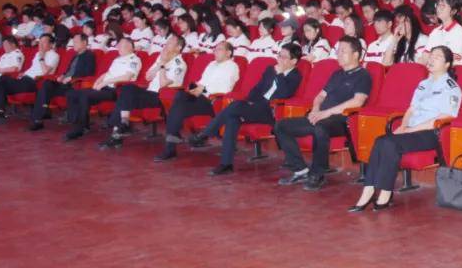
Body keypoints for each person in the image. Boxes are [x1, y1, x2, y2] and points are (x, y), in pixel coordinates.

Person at [349, 46, 462, 212]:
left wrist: (411, 129)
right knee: (380, 140)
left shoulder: (451, 88)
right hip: (411, 129)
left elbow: (445, 117)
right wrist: (403, 126)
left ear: (447, 64)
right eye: (431, 55)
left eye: (437, 57)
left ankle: (384, 193)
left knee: (389, 143)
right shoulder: (423, 84)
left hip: (431, 133)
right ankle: (369, 190)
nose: (431, 59)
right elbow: (411, 109)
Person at [187, 44, 304, 175]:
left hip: (271, 111)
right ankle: (226, 164)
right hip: (256, 107)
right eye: (279, 55)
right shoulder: (270, 70)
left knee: (235, 106)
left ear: (294, 61)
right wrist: (249, 102)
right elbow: (257, 89)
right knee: (232, 118)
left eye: (283, 57)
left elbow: (284, 93)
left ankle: (205, 134)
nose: (279, 59)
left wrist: (280, 74)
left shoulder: (295, 75)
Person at [275, 36, 370, 191]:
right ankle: (300, 170)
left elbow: (357, 101)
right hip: (321, 116)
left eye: (343, 51)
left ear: (356, 55)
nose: (338, 54)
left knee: (320, 127)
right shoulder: (337, 74)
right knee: (281, 125)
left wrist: (325, 113)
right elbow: (320, 96)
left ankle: (317, 174)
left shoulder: (363, 75)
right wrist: (316, 109)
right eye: (338, 51)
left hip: (342, 120)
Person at [154, 41, 241, 161]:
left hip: (213, 101)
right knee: (179, 101)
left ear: (228, 53)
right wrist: (195, 89)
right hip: (200, 97)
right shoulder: (212, 64)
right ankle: (171, 142)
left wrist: (202, 89)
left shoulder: (232, 66)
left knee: (178, 103)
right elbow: (202, 81)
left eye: (219, 49)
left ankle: (171, 146)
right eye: (215, 49)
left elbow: (225, 88)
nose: (215, 52)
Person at [98, 35, 187, 148]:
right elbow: (148, 77)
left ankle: (117, 135)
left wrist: (162, 66)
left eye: (170, 43)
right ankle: (124, 123)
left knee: (124, 99)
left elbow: (163, 85)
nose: (166, 45)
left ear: (178, 47)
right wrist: (160, 63)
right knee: (127, 89)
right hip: (150, 92)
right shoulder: (162, 57)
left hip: (161, 97)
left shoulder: (180, 64)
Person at [63, 38, 142, 141]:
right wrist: (98, 81)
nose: (118, 47)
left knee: (84, 95)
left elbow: (127, 77)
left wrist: (105, 82)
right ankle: (79, 123)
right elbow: (108, 73)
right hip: (105, 87)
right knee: (73, 93)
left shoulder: (134, 60)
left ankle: (80, 128)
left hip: (116, 90)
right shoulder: (117, 59)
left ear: (130, 46)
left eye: (120, 45)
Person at [0, 33, 61, 125]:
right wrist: (24, 73)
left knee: (4, 79)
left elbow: (45, 72)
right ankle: (0, 115)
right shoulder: (38, 53)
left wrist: (41, 58)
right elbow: (33, 68)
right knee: (1, 86)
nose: (40, 44)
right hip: (24, 79)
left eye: (44, 42)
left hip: (34, 82)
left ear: (51, 44)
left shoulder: (54, 55)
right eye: (40, 42)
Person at [27, 33, 96, 131]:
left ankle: (43, 113)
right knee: (47, 84)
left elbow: (89, 72)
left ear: (84, 42)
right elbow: (68, 71)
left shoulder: (89, 55)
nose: (74, 44)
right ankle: (38, 119)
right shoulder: (75, 56)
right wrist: (63, 76)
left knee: (49, 86)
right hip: (65, 83)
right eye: (73, 42)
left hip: (74, 84)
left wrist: (72, 77)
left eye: (76, 42)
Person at [419, 0, 462, 65]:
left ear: (453, 11)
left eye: (443, 6)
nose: (439, 8)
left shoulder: (460, 32)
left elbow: (453, 61)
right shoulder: (435, 32)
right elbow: (425, 56)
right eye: (438, 5)